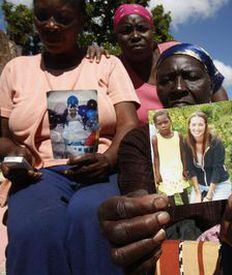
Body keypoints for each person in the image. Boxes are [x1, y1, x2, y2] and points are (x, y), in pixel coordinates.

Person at [98, 43, 232, 274]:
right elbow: (137, 198)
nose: (178, 88)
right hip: (166, 254)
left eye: (191, 77)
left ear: (211, 85)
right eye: (166, 80)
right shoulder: (138, 142)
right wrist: (137, 215)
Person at [0, 0, 139, 274]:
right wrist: (14, 154)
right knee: (35, 228)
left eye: (63, 19)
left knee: (92, 215)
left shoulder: (106, 64)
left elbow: (129, 123)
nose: (50, 25)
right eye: (42, 16)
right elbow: (0, 136)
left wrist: (108, 159)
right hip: (40, 174)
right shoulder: (15, 69)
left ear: (81, 23)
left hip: (102, 171)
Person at [88, 3, 229, 125]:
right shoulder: (113, 69)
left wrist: (225, 126)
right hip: (149, 150)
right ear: (116, 36)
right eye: (126, 31)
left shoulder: (177, 52)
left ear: (153, 31)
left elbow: (216, 89)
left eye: (142, 28)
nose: (135, 36)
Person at [186, 111, 231, 203]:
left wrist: (209, 196)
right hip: (200, 185)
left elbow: (217, 169)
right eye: (193, 125)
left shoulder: (216, 143)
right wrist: (198, 193)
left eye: (200, 125)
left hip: (219, 184)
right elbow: (191, 169)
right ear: (189, 126)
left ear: (206, 126)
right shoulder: (186, 143)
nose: (197, 128)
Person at [151, 110, 189, 206]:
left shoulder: (178, 135)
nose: (163, 125)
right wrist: (157, 174)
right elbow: (156, 157)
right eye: (159, 124)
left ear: (170, 121)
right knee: (170, 196)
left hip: (178, 169)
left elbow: (183, 152)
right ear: (155, 126)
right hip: (165, 172)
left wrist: (185, 169)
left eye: (165, 122)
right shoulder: (155, 139)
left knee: (183, 192)